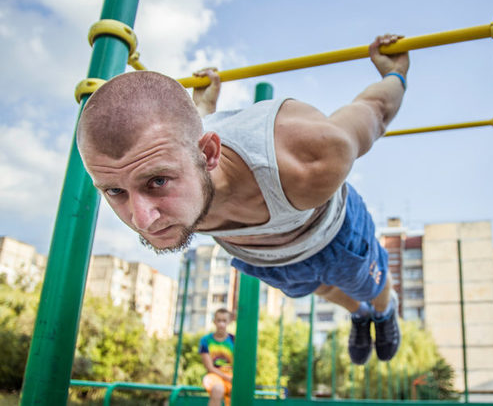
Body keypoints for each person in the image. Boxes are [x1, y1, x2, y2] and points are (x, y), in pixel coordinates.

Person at [77, 34, 409, 365]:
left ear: (208, 154)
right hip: (266, 258)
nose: (142, 220)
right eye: (114, 191)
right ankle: (360, 316)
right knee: (319, 289)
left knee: (369, 288)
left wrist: (395, 74)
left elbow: (374, 111)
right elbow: (188, 134)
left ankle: (383, 312)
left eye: (158, 182)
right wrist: (203, 106)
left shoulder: (308, 156)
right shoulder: (171, 164)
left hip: (334, 236)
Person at [199, 308, 234, 406]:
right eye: (219, 320)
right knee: (217, 389)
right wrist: (227, 378)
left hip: (231, 376)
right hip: (215, 375)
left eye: (224, 321)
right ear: (214, 321)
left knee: (237, 391)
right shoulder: (206, 340)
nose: (221, 324)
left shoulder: (234, 340)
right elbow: (210, 368)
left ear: (229, 322)